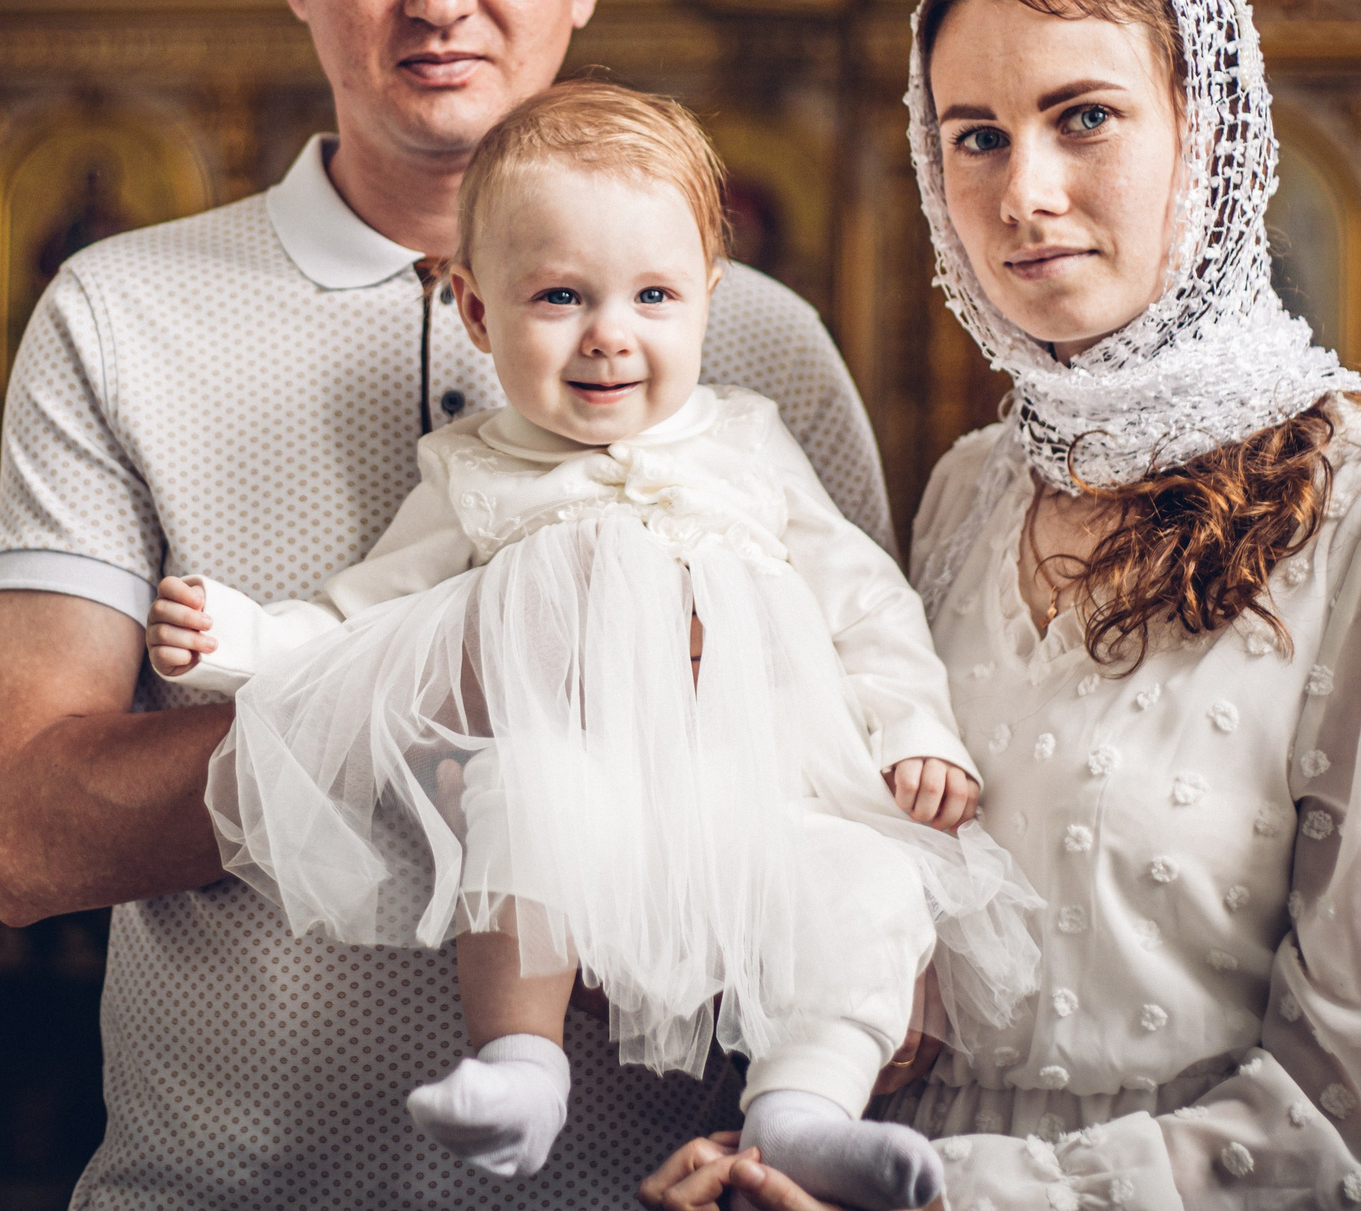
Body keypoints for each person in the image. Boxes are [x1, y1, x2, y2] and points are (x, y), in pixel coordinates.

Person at [0, 0, 899, 1209]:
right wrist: (434, 684)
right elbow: (22, 831)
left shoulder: (760, 343)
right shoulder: (120, 315)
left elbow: (874, 795)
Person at [644, 0, 1361, 1211]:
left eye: (1086, 116)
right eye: (977, 138)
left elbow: (1357, 1126)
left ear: (1209, 137)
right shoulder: (964, 490)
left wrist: (939, 1194)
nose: (1025, 193)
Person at [145, 82, 1038, 1209]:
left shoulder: (749, 441)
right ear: (476, 311)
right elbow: (370, 610)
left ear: (708, 296)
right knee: (523, 797)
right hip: (594, 797)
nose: (610, 334)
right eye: (560, 296)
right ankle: (520, 1062)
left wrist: (915, 729)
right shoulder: (471, 469)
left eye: (653, 295)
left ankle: (804, 1109)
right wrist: (248, 641)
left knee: (866, 886)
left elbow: (864, 600)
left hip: (772, 798)